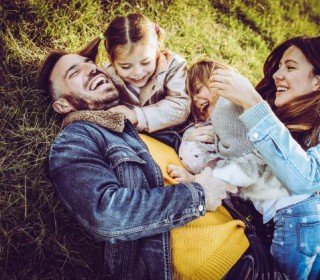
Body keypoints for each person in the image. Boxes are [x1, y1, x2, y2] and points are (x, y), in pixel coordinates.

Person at [38, 50, 254, 279]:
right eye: (75, 73)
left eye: (90, 63)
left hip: (252, 245)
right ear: (62, 105)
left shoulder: (142, 123)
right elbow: (106, 214)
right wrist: (199, 194)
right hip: (220, 270)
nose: (91, 69)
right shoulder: (76, 140)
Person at [210, 36, 320, 279]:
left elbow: (307, 179)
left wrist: (253, 103)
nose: (277, 75)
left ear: (317, 82)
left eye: (290, 67)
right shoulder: (280, 120)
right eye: (279, 67)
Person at [169, 59, 289, 217]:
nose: (196, 100)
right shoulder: (217, 127)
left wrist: (197, 182)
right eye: (193, 98)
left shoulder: (233, 107)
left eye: (198, 90)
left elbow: (246, 164)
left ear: (217, 79)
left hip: (287, 202)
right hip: (272, 211)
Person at [81, 13, 190, 133]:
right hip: (131, 134)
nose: (138, 72)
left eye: (146, 62)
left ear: (157, 50)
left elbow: (181, 106)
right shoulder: (109, 74)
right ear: (112, 61)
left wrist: (136, 115)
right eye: (126, 67)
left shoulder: (174, 66)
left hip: (173, 134)